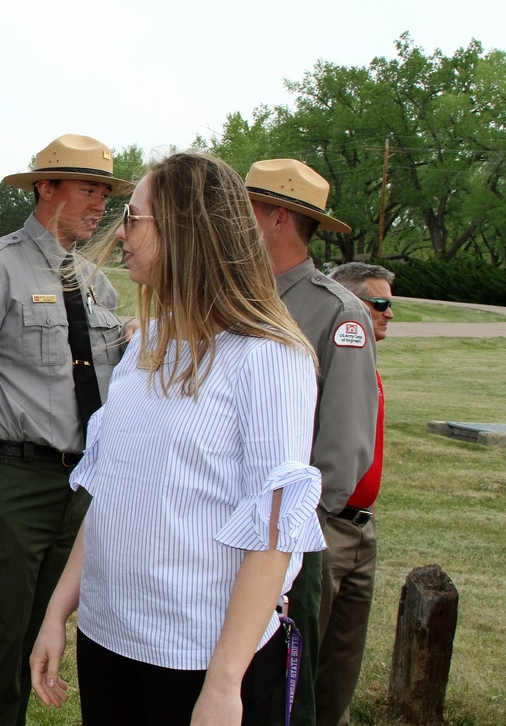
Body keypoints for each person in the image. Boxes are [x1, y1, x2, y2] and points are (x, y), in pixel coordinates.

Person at [29, 151, 325, 726]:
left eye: (134, 218)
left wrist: (223, 682)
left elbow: (273, 532)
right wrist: (58, 612)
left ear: (185, 230)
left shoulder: (269, 358)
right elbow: (112, 496)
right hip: (109, 638)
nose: (120, 235)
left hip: (198, 657)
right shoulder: (148, 345)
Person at [0, 134, 134, 725]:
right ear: (46, 188)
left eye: (106, 193)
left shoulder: (96, 284)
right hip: (12, 481)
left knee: (43, 635)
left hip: (80, 485)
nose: (100, 205)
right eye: (89, 190)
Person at [244, 159, 379, 726]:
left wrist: (301, 535)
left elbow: (344, 444)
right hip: (243, 525)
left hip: (299, 535)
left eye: (246, 209)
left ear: (278, 217)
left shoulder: (335, 312)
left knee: (289, 682)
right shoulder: (241, 295)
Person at [316, 262, 395, 726]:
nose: (388, 314)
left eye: (390, 304)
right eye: (379, 303)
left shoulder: (368, 365)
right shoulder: (329, 357)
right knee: (306, 652)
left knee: (342, 663)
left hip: (362, 528)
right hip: (329, 527)